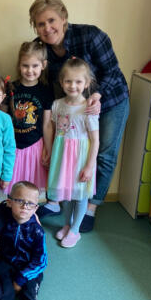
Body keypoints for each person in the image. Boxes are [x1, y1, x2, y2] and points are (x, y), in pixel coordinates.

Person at [29, 0, 129, 232]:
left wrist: (98, 95)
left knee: (103, 154)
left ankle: (91, 207)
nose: (47, 28)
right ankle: (58, 200)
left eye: (51, 20)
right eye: (40, 24)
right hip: (72, 109)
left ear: (63, 18)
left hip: (111, 100)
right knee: (70, 152)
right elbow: (46, 84)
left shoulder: (91, 36)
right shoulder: (40, 49)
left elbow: (112, 71)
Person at [48, 58, 99, 248]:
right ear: (61, 82)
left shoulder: (89, 109)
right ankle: (67, 224)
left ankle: (76, 230)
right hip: (63, 156)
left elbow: (95, 140)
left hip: (80, 157)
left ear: (86, 83)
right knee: (66, 192)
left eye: (78, 81)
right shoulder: (57, 104)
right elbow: (56, 131)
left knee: (80, 194)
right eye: (68, 81)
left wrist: (89, 166)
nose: (73, 85)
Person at [1, 41, 54, 196]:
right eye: (25, 66)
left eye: (35, 66)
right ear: (19, 65)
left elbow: (47, 125)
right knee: (11, 190)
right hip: (12, 147)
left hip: (35, 147)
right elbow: (2, 119)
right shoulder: (10, 88)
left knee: (32, 190)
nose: (30, 70)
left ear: (43, 65)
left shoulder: (46, 91)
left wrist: (48, 150)